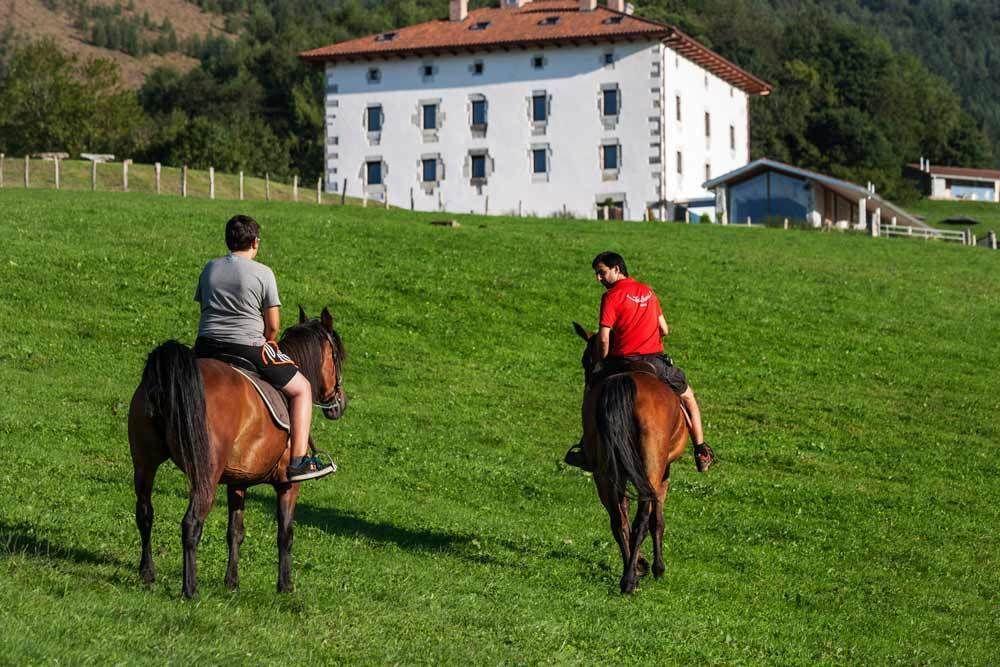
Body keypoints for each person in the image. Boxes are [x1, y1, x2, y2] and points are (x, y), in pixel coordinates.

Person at [193, 214, 336, 482]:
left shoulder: (209, 269)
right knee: (302, 389)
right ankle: (299, 461)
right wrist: (270, 340)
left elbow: (204, 307)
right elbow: (272, 325)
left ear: (228, 240)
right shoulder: (263, 273)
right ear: (255, 242)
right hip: (247, 345)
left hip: (205, 346)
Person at [565, 251, 715, 473]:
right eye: (597, 274)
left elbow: (604, 338)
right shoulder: (648, 291)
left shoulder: (611, 296)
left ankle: (587, 450)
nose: (598, 278)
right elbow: (664, 329)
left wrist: (601, 361)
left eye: (602, 272)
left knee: (591, 396)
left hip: (622, 362)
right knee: (688, 397)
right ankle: (701, 450)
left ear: (617, 269)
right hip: (654, 362)